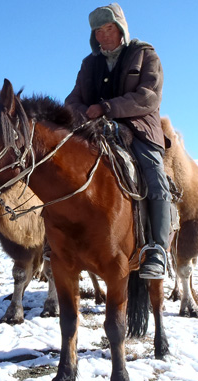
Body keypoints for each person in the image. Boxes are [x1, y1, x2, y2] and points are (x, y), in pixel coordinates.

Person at [65, 2, 172, 280]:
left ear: (121, 29)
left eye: (108, 28)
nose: (103, 35)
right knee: (62, 169)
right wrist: (84, 113)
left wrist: (107, 108)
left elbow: (149, 97)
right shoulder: (89, 64)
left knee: (155, 176)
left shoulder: (144, 54)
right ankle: (57, 243)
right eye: (98, 31)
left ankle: (158, 249)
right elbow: (72, 100)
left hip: (139, 128)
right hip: (94, 129)